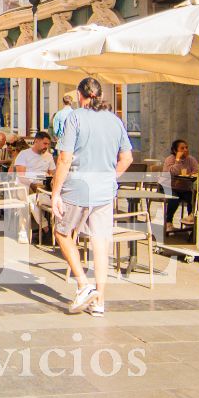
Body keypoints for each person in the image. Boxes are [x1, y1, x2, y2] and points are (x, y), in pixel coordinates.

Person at [49, 77, 134, 315]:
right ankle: (100, 301)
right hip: (105, 190)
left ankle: (83, 285)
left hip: (77, 188)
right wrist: (110, 177)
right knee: (100, 242)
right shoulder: (115, 121)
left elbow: (64, 158)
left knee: (62, 233)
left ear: (79, 95)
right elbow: (127, 158)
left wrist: (56, 192)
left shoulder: (75, 117)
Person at [12, 131, 57, 239]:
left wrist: (48, 181)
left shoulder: (49, 156)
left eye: (48, 144)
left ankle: (44, 228)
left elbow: (52, 174)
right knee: (27, 196)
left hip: (42, 185)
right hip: (26, 183)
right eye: (44, 144)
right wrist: (32, 184)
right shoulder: (24, 154)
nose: (46, 147)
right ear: (36, 141)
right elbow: (21, 175)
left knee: (32, 200)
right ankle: (43, 229)